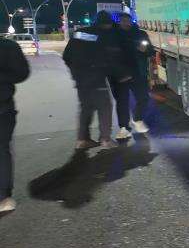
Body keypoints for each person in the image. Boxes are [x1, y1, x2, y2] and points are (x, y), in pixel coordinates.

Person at [63, 10, 131, 149]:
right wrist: (121, 75)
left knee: (85, 108)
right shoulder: (102, 36)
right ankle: (105, 140)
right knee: (105, 107)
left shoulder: (80, 33)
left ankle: (82, 140)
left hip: (80, 79)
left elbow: (66, 56)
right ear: (106, 24)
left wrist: (75, 71)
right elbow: (108, 59)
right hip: (96, 78)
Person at [111, 13, 154, 139]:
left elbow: (150, 50)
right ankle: (124, 128)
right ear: (118, 22)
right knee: (122, 102)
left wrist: (145, 50)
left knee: (143, 98)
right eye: (123, 21)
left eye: (128, 20)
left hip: (138, 73)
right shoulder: (113, 35)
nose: (126, 23)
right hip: (119, 74)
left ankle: (137, 119)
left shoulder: (140, 34)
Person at [0, 36, 30, 213]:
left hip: (3, 107)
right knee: (1, 149)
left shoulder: (7, 46)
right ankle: (3, 196)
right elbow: (22, 73)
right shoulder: (7, 46)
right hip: (3, 107)